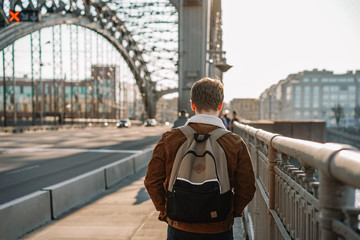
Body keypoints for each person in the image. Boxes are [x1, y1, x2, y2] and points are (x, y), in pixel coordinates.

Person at [144, 77, 256, 240]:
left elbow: (151, 181)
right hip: (219, 228)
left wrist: (168, 211)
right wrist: (229, 214)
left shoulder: (170, 139)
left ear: (192, 104)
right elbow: (247, 188)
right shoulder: (234, 142)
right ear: (220, 105)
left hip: (179, 227)